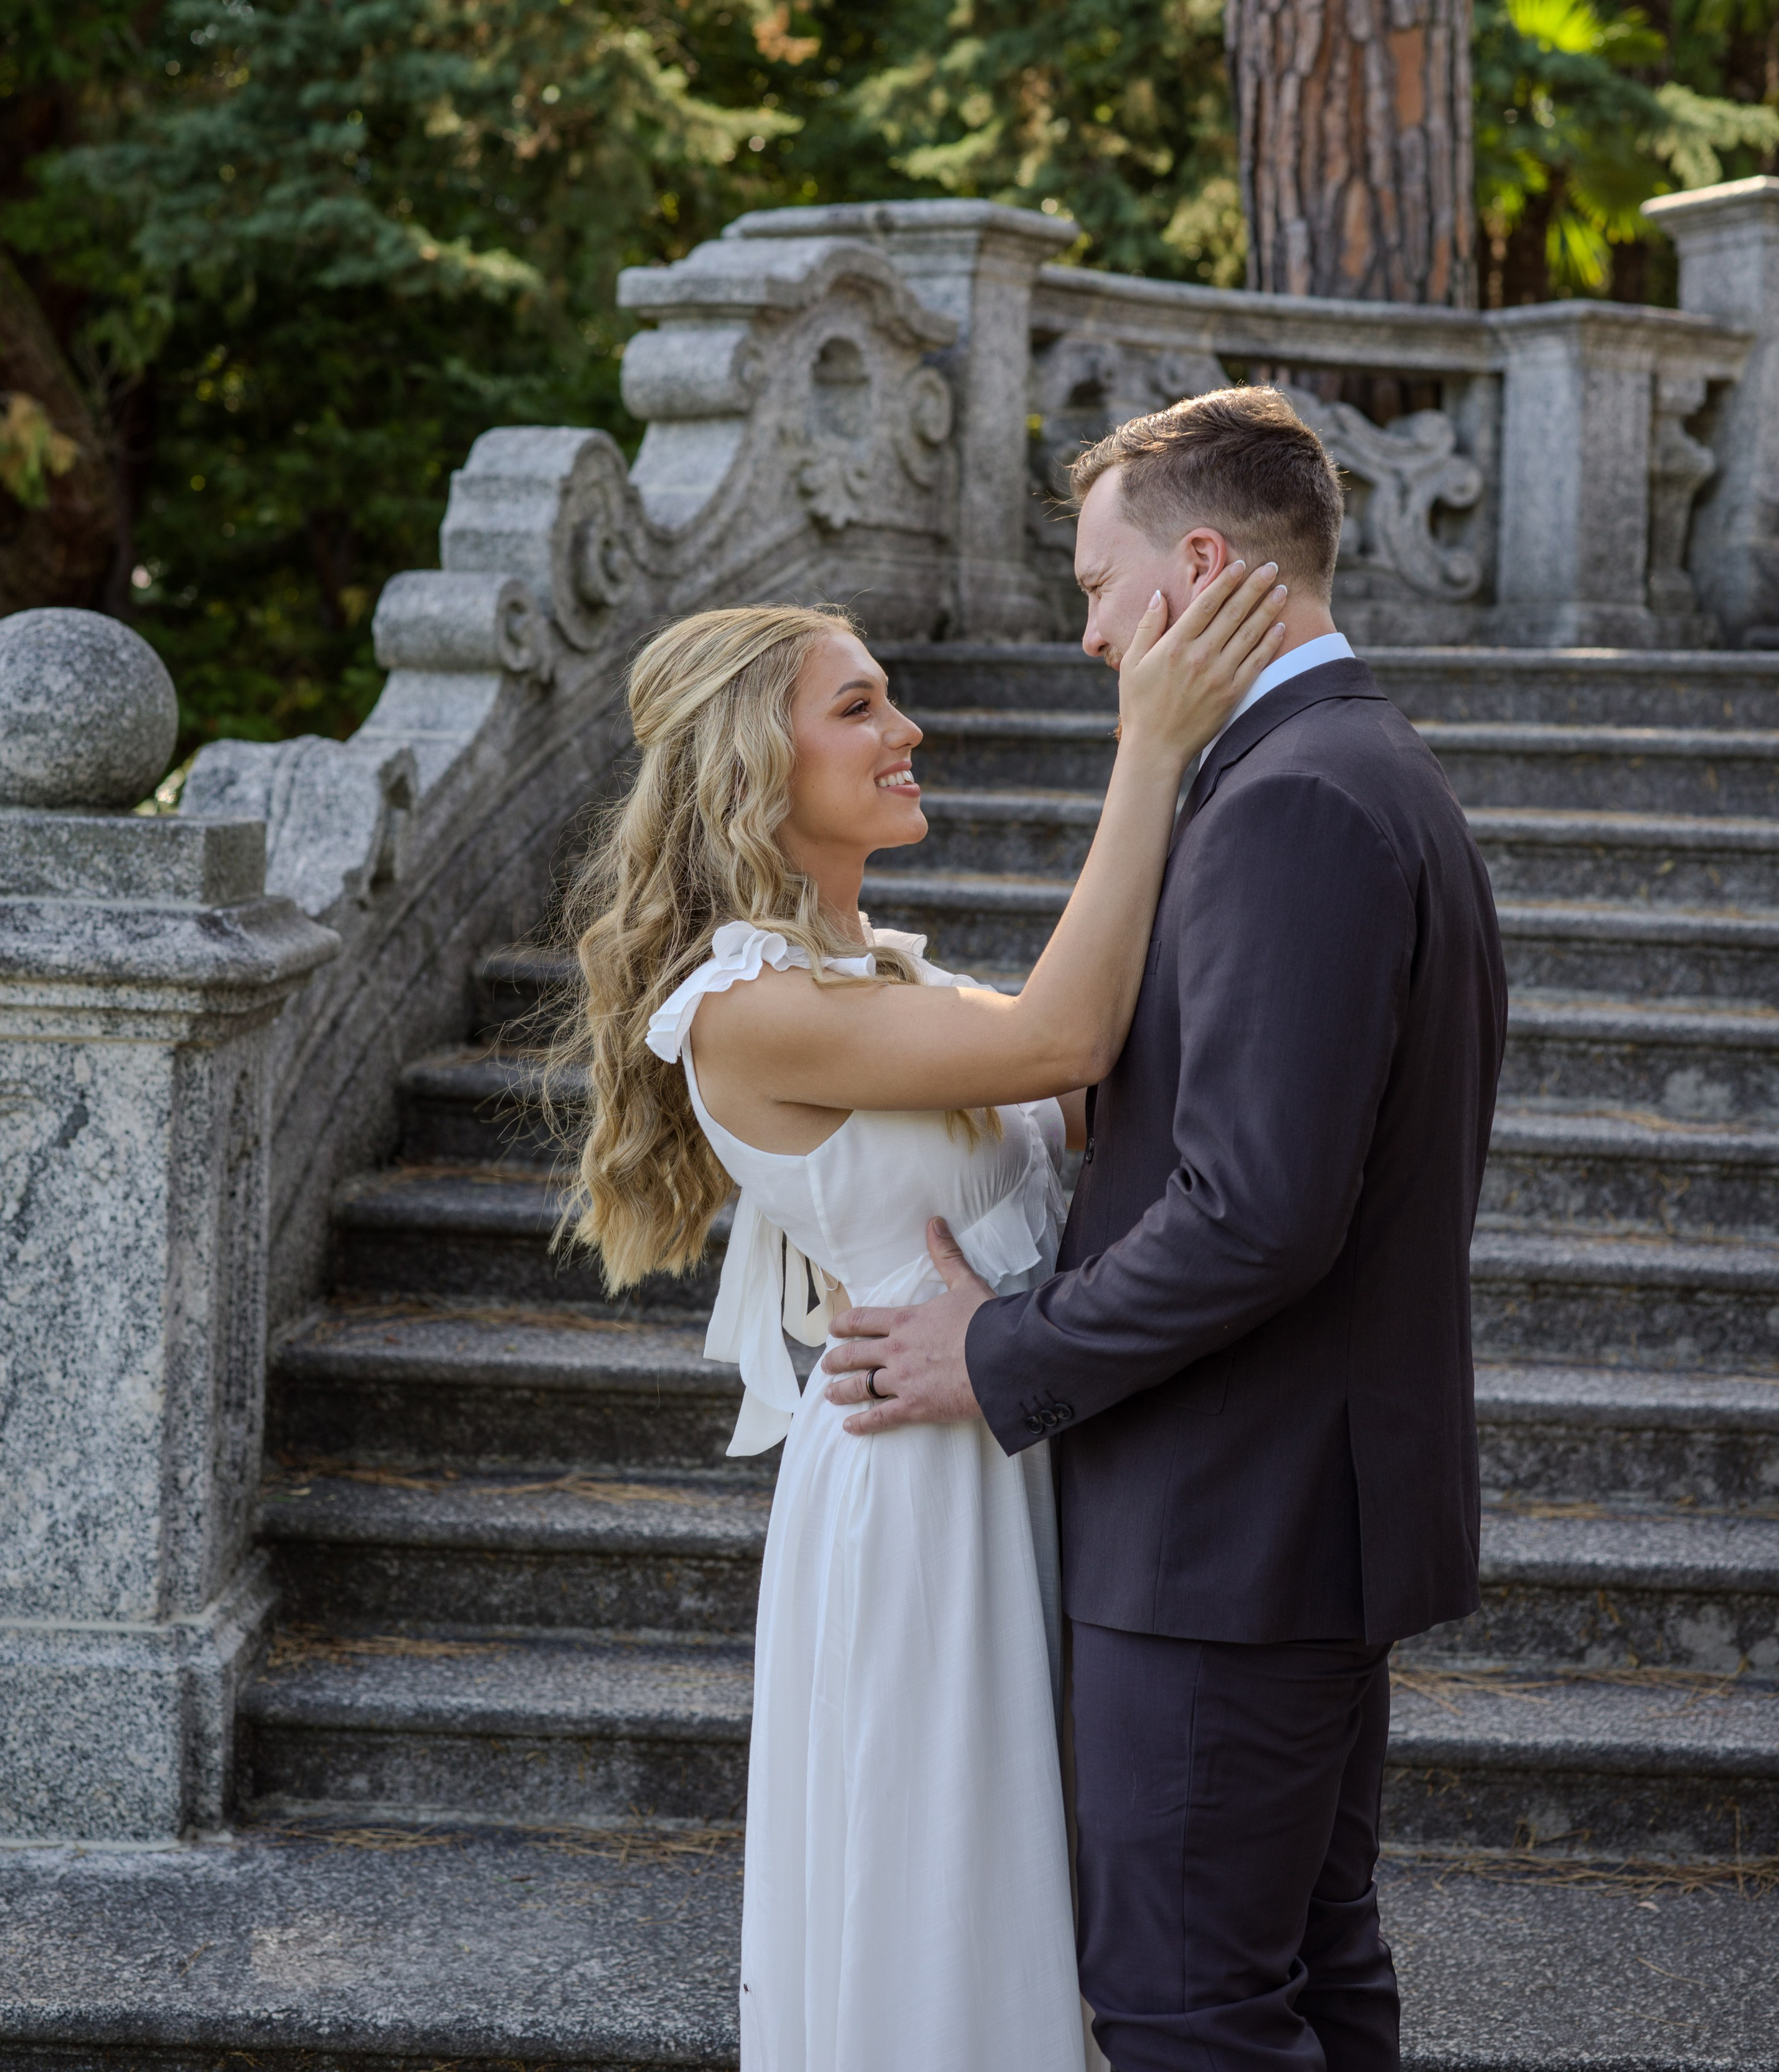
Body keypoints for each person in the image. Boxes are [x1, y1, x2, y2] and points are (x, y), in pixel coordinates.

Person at [821, 385, 1510, 2072]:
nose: (1085, 632)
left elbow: (1255, 1212)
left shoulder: (1287, 798)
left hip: (1229, 1529)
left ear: (1199, 566)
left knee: (1187, 2007)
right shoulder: (1358, 766)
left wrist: (1002, 1351)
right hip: (1295, 1515)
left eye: (1095, 585)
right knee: (1306, 1972)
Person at [557, 554, 1288, 2072]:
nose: (905, 728)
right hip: (913, 1485)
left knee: (1030, 1881)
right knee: (941, 1884)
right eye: (859, 704)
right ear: (762, 764)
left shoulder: (875, 974)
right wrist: (1149, 742)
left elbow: (1089, 1090)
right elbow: (1066, 1034)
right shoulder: (745, 1004)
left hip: (1009, 1432)